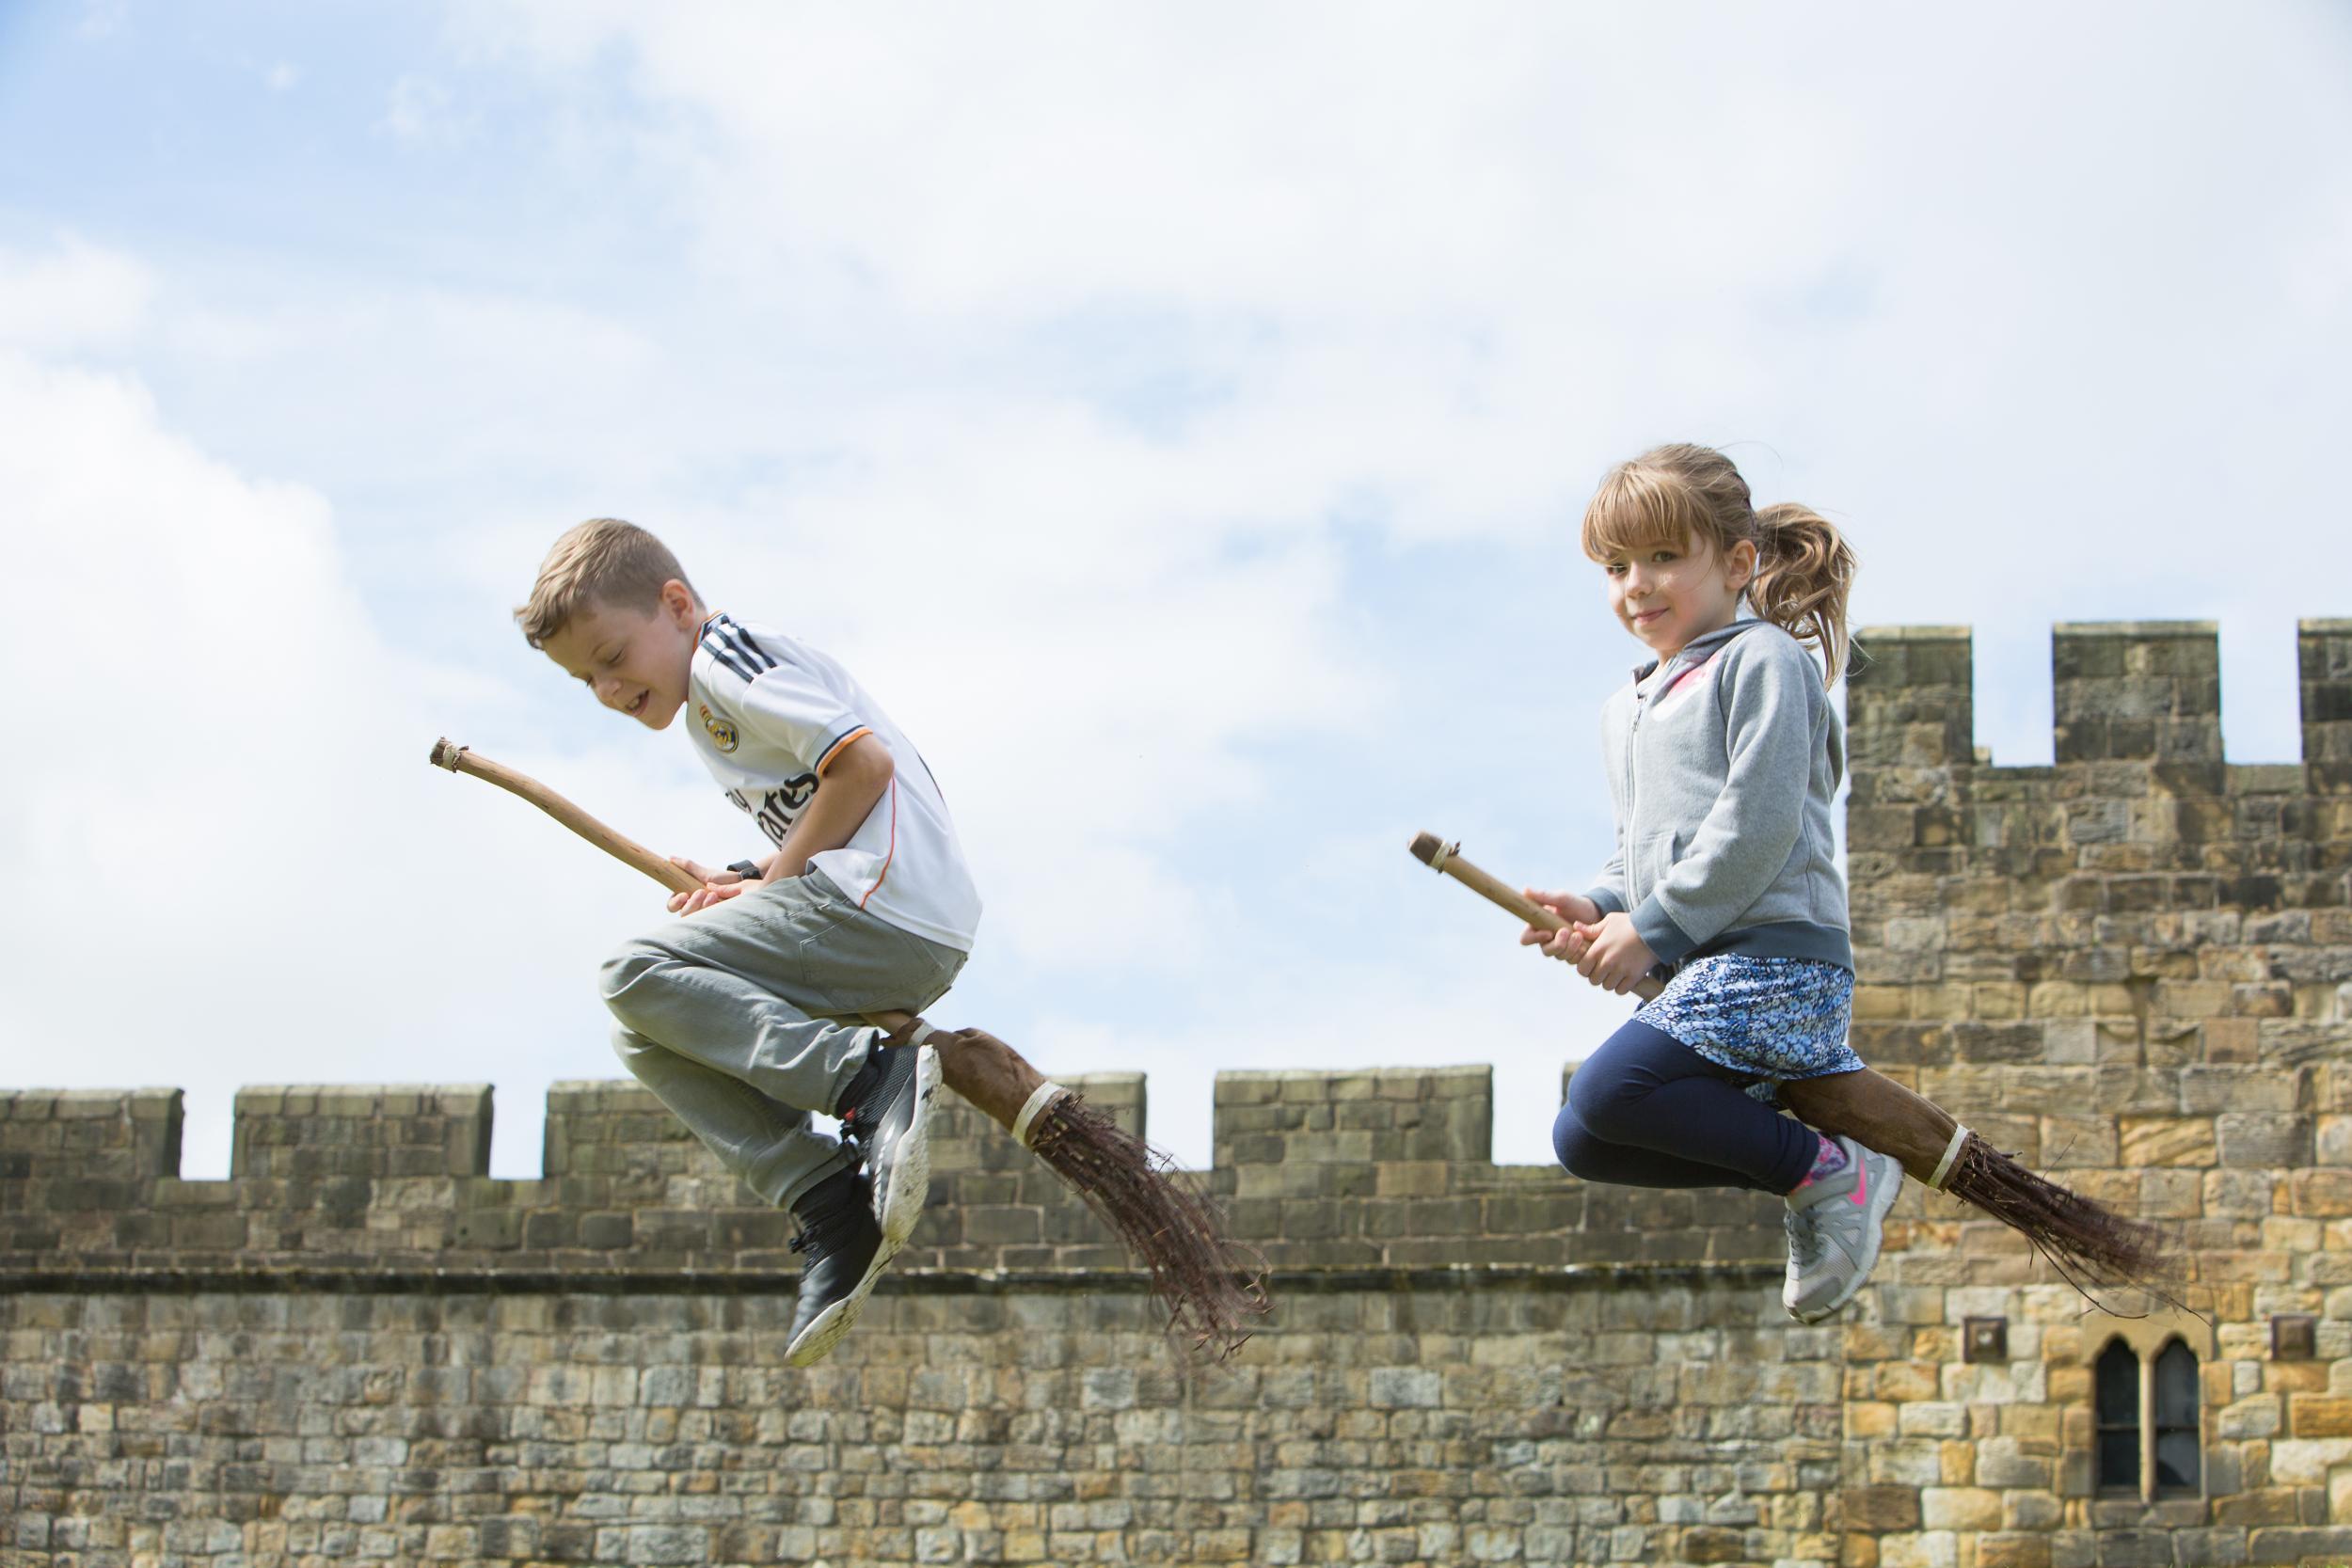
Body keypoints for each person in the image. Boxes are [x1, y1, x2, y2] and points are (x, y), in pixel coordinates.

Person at [516, 517, 981, 1366]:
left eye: (614, 658)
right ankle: (823, 1195)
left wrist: (775, 888)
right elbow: (832, 798)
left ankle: (868, 1081)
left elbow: (864, 767)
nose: (609, 691)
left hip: (887, 910)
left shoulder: (726, 659)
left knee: (633, 970)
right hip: (882, 909)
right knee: (642, 1021)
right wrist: (754, 877)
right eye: (587, 680)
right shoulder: (710, 698)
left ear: (677, 604)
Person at [1521, 443, 1899, 1323]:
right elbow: (1644, 848)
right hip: (1704, 976)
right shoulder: (1628, 706)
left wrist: (1651, 929)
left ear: (1736, 564)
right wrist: (1602, 904)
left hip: (1778, 966)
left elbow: (1755, 827)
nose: (1636, 585)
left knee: (1612, 1092)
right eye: (1616, 567)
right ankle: (1809, 1167)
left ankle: (1824, 1173)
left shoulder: (1763, 661)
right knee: (1583, 1136)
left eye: (1662, 558)